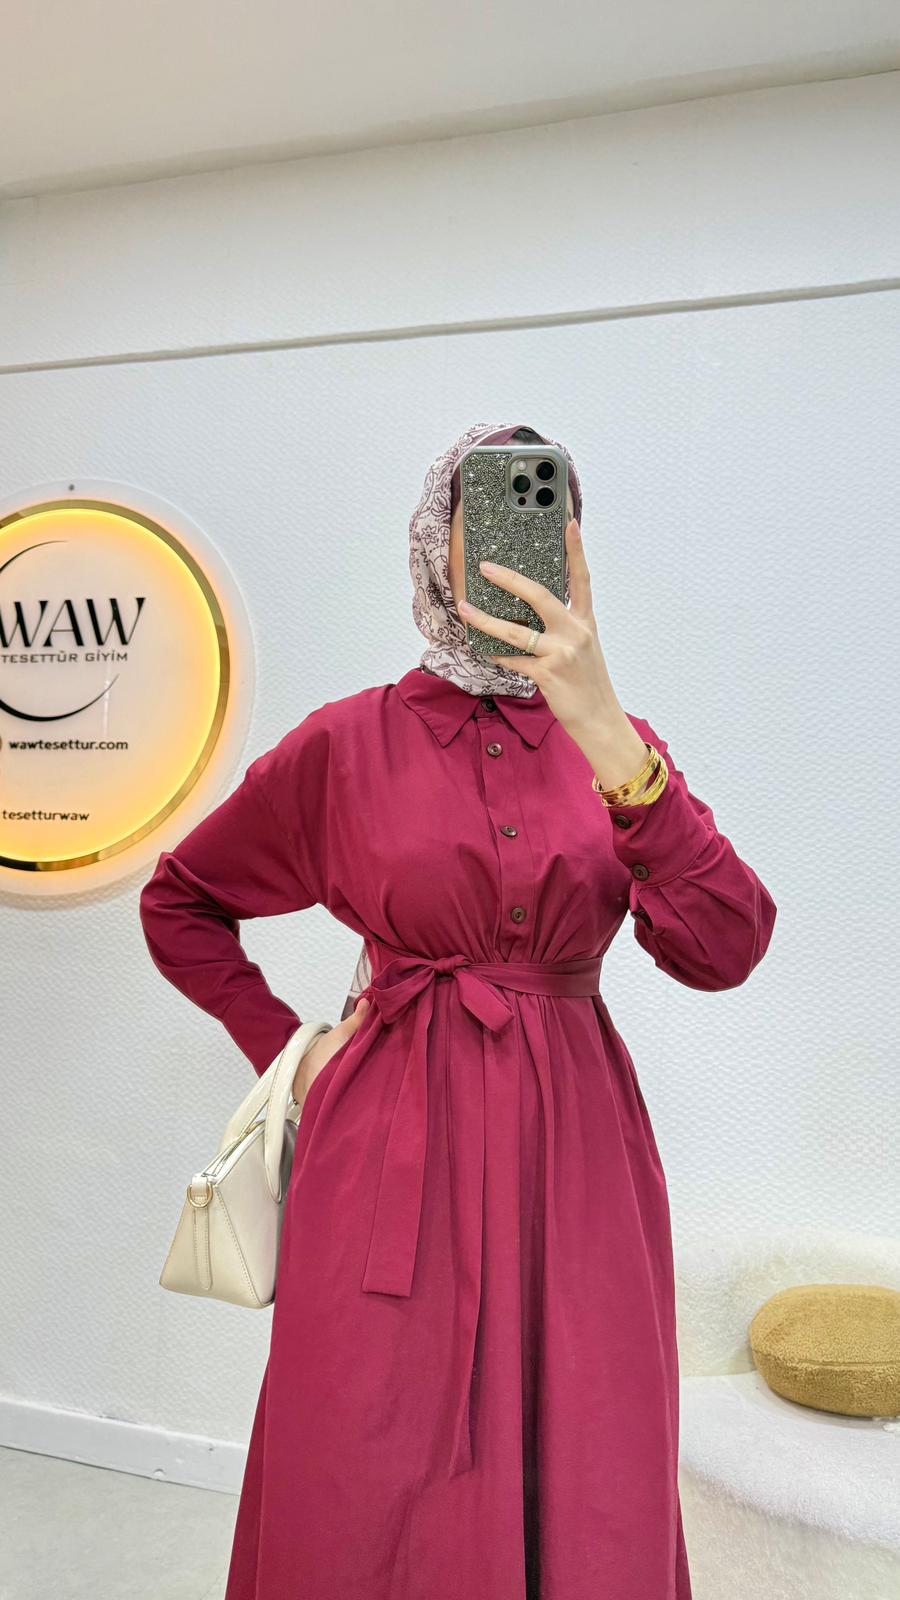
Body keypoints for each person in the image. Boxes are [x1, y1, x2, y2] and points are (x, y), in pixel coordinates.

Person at [139, 420, 777, 1600]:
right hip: (386, 1147)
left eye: (549, 521)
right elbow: (181, 899)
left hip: (574, 1158)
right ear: (436, 545)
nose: (516, 553)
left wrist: (603, 725)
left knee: (588, 1451)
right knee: (364, 1445)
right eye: (486, 522)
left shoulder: (618, 747)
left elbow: (727, 944)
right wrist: (295, 1052)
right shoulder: (346, 744)